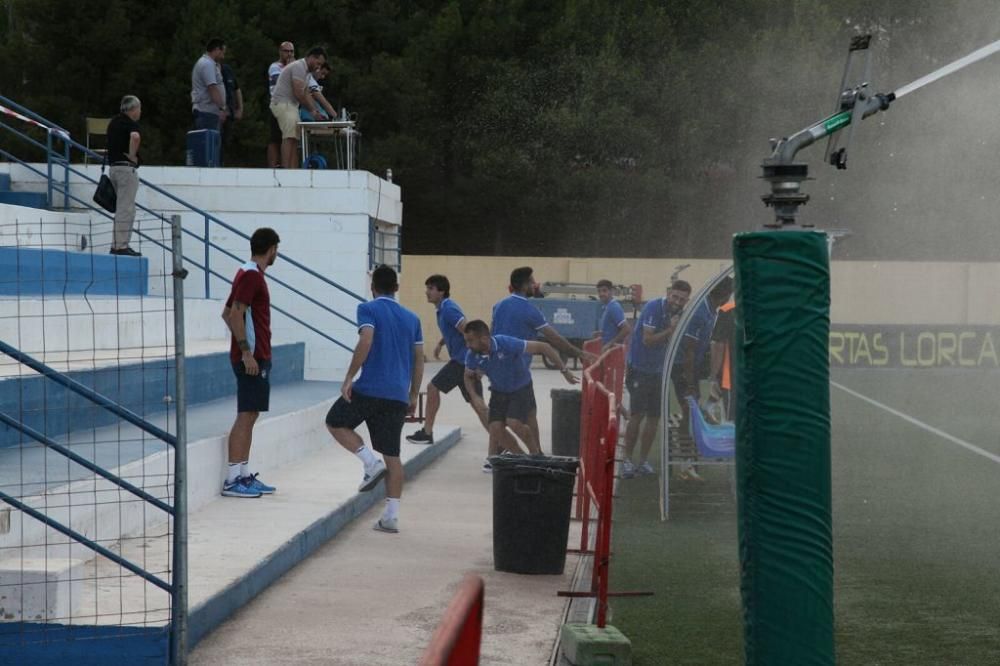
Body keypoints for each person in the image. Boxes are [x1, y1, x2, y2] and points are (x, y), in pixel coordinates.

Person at [326, 265, 423, 534]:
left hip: (369, 388)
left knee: (335, 422)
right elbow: (418, 359)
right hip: (397, 395)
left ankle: (370, 463)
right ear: (397, 288)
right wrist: (413, 393)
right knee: (393, 455)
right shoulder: (413, 319)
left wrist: (349, 377)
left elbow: (366, 340)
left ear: (373, 288)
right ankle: (391, 516)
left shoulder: (367, 308)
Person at [492, 266, 596, 448]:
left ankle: (493, 457)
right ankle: (535, 454)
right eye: (532, 282)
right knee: (528, 414)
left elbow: (492, 334)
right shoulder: (530, 310)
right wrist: (579, 353)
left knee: (498, 418)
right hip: (519, 374)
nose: (535, 285)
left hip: (498, 372)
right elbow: (554, 338)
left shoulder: (498, 306)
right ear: (525, 285)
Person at [463, 320, 577, 469]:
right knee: (495, 428)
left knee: (514, 422)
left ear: (484, 338)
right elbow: (467, 376)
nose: (467, 345)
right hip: (498, 391)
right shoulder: (472, 355)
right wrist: (475, 397)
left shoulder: (506, 343)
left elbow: (544, 347)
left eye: (470, 341)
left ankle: (535, 454)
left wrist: (564, 371)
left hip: (520, 388)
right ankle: (521, 458)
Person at [220, 228, 281, 498]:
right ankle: (233, 479)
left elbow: (227, 313)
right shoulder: (252, 276)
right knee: (246, 414)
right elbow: (234, 315)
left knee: (252, 413)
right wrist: (246, 352)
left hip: (257, 356)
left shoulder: (247, 274)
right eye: (276, 249)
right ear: (271, 249)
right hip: (252, 359)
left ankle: (244, 475)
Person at [620, 280, 691, 479]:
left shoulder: (679, 313)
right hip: (640, 369)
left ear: (687, 301)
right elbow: (648, 340)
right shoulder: (653, 307)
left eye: (682, 299)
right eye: (675, 297)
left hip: (659, 371)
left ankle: (642, 462)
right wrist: (671, 329)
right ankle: (627, 461)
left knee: (654, 416)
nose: (677, 302)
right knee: (637, 415)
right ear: (668, 293)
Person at [673, 277, 733, 479]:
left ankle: (690, 455)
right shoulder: (700, 311)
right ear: (724, 295)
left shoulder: (711, 310)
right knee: (689, 410)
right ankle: (686, 462)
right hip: (683, 367)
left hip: (693, 366)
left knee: (693, 408)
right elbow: (689, 350)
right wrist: (690, 382)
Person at [270, 46, 327, 169]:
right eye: (318, 63)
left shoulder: (306, 72)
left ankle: (292, 169)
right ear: (311, 57)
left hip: (292, 106)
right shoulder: (298, 66)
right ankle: (285, 168)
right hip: (282, 103)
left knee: (295, 138)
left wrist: (315, 112)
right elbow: (298, 92)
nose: (318, 67)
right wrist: (312, 110)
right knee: (289, 136)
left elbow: (306, 92)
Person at [106, 95, 142, 257]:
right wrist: (132, 156)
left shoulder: (113, 122)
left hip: (113, 168)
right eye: (139, 108)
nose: (140, 112)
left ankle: (119, 244)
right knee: (126, 208)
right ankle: (120, 246)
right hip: (126, 169)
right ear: (133, 109)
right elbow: (135, 137)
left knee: (123, 207)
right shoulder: (130, 123)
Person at [266, 41, 295, 167]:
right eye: (286, 51)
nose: (289, 54)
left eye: (291, 51)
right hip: (278, 105)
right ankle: (273, 166)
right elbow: (282, 84)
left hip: (291, 107)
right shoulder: (275, 67)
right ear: (280, 52)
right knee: (275, 139)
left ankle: (287, 166)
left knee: (289, 138)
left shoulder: (295, 67)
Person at [191, 38, 227, 131]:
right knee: (208, 143)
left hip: (208, 112)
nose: (223, 56)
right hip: (206, 112)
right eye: (222, 52)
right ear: (216, 49)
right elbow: (212, 88)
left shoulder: (209, 64)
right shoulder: (207, 64)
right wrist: (221, 108)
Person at [709, 296, 736, 420]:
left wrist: (714, 377)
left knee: (734, 423)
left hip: (733, 378)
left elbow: (718, 345)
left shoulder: (727, 310)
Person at [594, 279, 631, 351]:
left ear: (611, 291)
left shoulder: (614, 307)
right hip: (608, 351)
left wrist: (610, 344)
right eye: (599, 291)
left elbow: (626, 329)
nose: (601, 294)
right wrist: (601, 333)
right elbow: (614, 329)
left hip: (613, 352)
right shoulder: (607, 307)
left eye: (604, 291)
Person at [220, 61, 243, 165]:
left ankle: (224, 166)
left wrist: (240, 108)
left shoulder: (227, 69)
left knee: (227, 144)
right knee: (215, 144)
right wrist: (221, 109)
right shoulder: (209, 69)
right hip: (215, 114)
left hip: (230, 115)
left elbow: (237, 89)